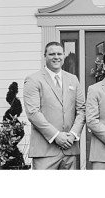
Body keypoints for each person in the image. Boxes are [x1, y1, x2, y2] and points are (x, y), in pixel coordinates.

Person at [22, 41, 85, 170]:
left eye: (59, 54)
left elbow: (81, 110)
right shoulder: (33, 80)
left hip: (69, 149)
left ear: (64, 56)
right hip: (45, 151)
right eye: (52, 54)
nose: (56, 57)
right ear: (44, 56)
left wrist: (72, 135)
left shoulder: (73, 79)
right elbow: (33, 113)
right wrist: (56, 136)